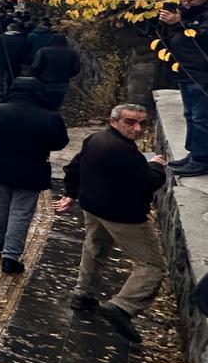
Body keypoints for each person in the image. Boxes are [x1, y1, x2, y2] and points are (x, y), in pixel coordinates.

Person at [57, 104, 168, 343]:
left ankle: (83, 294)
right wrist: (157, 166)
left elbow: (74, 167)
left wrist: (71, 193)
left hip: (93, 206)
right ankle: (123, 306)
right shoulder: (122, 151)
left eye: (142, 123)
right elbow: (148, 182)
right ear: (113, 121)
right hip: (123, 214)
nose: (137, 128)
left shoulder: (95, 139)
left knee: (95, 247)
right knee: (151, 264)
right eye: (130, 122)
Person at [0, 78, 69, 273]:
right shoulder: (50, 117)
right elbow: (59, 142)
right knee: (21, 212)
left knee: (1, 205)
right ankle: (11, 255)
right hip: (32, 169)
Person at [158, 0, 208, 176]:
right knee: (190, 116)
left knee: (201, 118)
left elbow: (202, 37)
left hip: (202, 75)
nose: (187, 0)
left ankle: (201, 159)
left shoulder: (202, 16)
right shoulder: (184, 15)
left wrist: (178, 24)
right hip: (186, 73)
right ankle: (194, 153)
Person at [29, 33, 81, 111]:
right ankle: (53, 116)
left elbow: (35, 66)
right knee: (56, 104)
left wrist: (37, 75)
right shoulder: (72, 52)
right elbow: (76, 68)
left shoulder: (43, 51)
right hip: (62, 82)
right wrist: (68, 75)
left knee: (43, 103)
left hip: (44, 81)